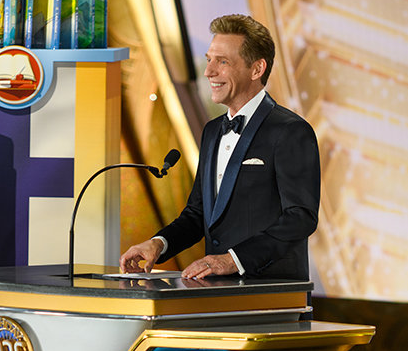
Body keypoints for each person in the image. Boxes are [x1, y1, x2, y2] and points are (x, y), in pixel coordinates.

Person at [120, 14, 320, 280]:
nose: (208, 72)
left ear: (257, 69)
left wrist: (233, 260)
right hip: (218, 291)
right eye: (209, 60)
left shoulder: (291, 131)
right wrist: (159, 243)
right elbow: (197, 213)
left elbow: (300, 217)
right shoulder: (212, 131)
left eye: (222, 61)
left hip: (271, 292)